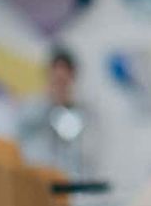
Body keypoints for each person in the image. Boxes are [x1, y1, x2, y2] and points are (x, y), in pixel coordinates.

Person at [17, 48, 95, 178]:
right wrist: (49, 103)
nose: (60, 85)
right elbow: (21, 135)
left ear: (73, 78)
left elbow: (89, 153)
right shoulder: (31, 108)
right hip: (38, 179)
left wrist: (67, 105)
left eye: (64, 81)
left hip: (73, 182)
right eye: (56, 80)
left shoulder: (85, 112)